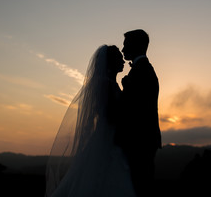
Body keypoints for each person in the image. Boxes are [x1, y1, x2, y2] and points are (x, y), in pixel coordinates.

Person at [45, 45, 136, 197]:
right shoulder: (105, 84)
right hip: (109, 138)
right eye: (119, 58)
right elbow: (110, 114)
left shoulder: (108, 84)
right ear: (111, 62)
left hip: (108, 137)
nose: (123, 61)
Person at [115, 29, 162, 196]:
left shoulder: (143, 71)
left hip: (140, 140)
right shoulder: (141, 70)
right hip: (141, 140)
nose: (122, 50)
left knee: (140, 187)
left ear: (136, 46)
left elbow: (134, 109)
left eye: (125, 45)